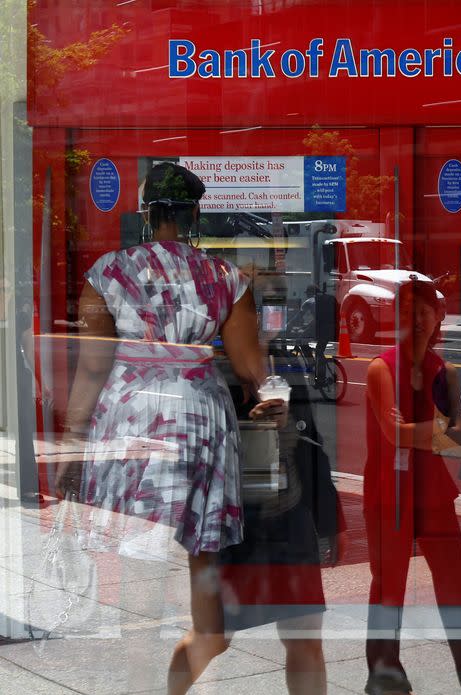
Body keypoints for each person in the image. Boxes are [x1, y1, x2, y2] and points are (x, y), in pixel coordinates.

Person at [58, 162, 280, 695]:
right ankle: (178, 675)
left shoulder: (108, 273)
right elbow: (254, 369)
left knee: (141, 563)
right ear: (194, 212)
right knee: (202, 558)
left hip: (132, 414)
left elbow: (92, 369)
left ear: (146, 211)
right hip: (200, 419)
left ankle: (143, 683)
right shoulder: (227, 279)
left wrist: (71, 443)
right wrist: (274, 399)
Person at [363, 280, 461, 695]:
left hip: (433, 493)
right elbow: (394, 435)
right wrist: (433, 430)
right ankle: (384, 673)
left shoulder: (447, 372)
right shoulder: (380, 369)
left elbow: (458, 439)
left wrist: (415, 430)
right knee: (388, 586)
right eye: (407, 310)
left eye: (423, 310)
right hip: (389, 493)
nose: (416, 319)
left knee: (454, 588)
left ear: (437, 316)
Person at [219, 340, 346, 695]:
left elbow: (312, 443)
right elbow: (213, 458)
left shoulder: (285, 360)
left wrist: (330, 521)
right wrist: (255, 428)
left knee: (305, 636)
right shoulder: (220, 368)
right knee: (213, 638)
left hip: (291, 518)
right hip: (241, 525)